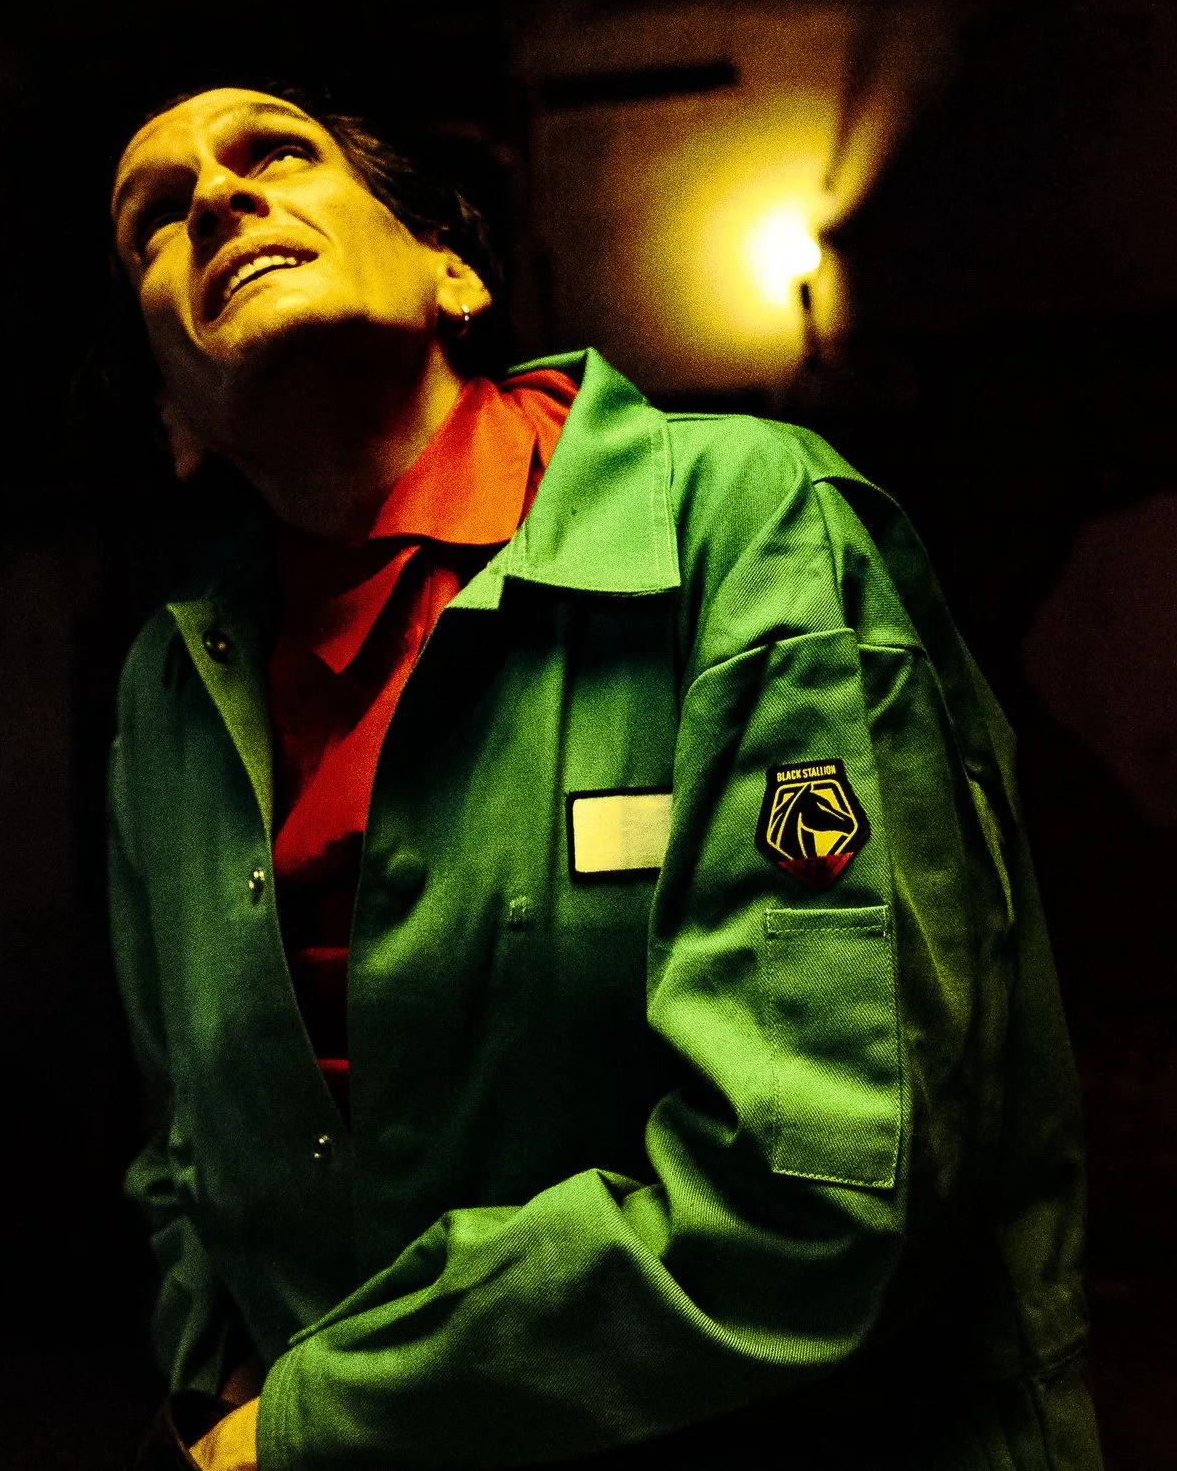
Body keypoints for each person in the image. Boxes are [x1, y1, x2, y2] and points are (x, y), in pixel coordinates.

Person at [104, 85, 1100, 1471]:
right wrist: (207, 1384)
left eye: (276, 151)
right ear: (176, 409)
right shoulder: (173, 686)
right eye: (156, 218)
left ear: (452, 272)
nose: (217, 197)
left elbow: (821, 1181)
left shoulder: (740, 529)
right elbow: (182, 1147)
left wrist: (326, 1421)